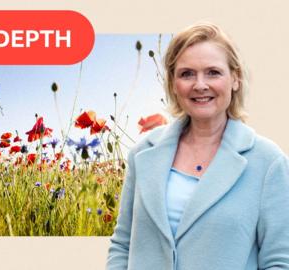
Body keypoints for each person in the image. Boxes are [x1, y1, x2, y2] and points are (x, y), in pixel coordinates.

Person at [106, 22, 289, 270]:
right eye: (187, 73)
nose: (200, 84)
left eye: (213, 72)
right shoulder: (143, 154)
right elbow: (122, 246)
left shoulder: (268, 162)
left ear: (235, 79)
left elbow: (279, 260)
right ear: (173, 83)